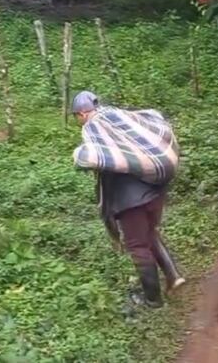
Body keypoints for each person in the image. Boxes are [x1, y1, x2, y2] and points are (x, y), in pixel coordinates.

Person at [72, 91, 186, 308]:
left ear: (81, 114)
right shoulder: (117, 116)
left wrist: (83, 155)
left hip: (130, 201)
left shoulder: (94, 127)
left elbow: (93, 158)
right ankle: (173, 276)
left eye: (76, 117)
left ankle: (152, 299)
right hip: (154, 190)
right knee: (150, 233)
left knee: (137, 245)